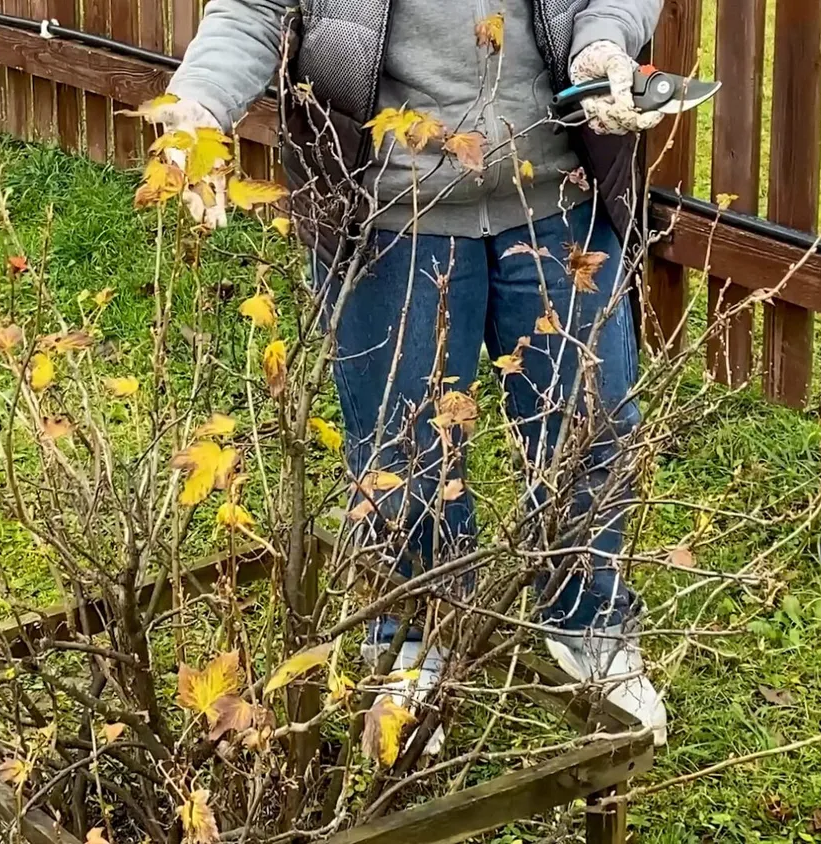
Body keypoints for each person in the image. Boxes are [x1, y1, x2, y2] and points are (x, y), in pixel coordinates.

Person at [164, 0, 669, 748]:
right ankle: (411, 639)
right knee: (401, 450)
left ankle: (587, 619)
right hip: (391, 210)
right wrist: (201, 100)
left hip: (558, 200)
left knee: (591, 426)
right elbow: (253, 9)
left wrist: (602, 42)